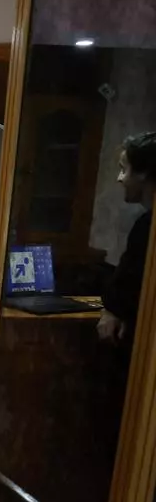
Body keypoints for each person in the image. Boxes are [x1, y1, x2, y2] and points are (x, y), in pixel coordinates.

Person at [98, 131, 155, 348]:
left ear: (143, 173)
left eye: (124, 169)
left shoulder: (147, 226)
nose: (119, 179)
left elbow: (125, 288)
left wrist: (113, 309)